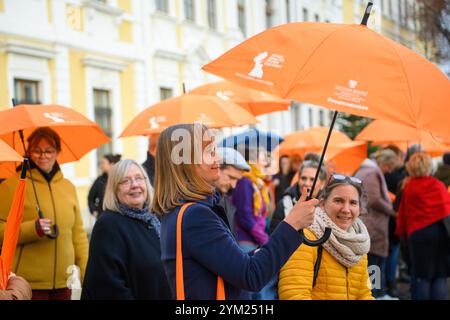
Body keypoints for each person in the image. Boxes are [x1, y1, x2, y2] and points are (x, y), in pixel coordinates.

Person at [152, 124, 319, 300]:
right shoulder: (195, 215)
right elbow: (251, 276)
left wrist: (256, 253)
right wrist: (291, 224)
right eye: (209, 152)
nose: (218, 158)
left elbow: (228, 264)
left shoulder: (184, 211)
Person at [0, 127, 89, 300]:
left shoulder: (68, 188)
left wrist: (88, 274)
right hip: (26, 286)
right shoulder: (11, 186)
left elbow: (79, 237)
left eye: (49, 151)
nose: (43, 156)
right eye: (37, 151)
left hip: (64, 285)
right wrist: (33, 229)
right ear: (28, 152)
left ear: (58, 153)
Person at [82, 159, 171, 299]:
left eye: (138, 178)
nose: (134, 185)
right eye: (125, 181)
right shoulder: (108, 225)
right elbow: (107, 286)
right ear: (114, 189)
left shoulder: (155, 219)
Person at [278, 174, 374, 300]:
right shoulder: (305, 238)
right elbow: (293, 295)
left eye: (353, 203)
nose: (346, 209)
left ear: (360, 208)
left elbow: (364, 295)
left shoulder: (358, 244)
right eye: (338, 201)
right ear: (322, 204)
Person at [396, 152, 450, 300]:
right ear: (429, 167)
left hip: (417, 235)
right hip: (439, 234)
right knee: (440, 274)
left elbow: (403, 214)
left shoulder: (408, 187)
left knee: (421, 274)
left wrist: (400, 234)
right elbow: (447, 209)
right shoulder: (438, 185)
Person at [354, 149, 398, 300]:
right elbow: (374, 199)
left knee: (374, 263)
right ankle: (376, 295)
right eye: (390, 166)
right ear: (384, 162)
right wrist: (391, 210)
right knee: (374, 264)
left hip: (370, 223)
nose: (390, 170)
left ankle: (377, 293)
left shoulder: (366, 170)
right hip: (373, 225)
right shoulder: (372, 172)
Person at [269, 160, 327, 235]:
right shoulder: (284, 204)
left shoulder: (327, 207)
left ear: (322, 184)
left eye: (312, 179)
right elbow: (272, 236)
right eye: (303, 178)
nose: (306, 183)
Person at [214, 147, 250, 238]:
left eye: (237, 180)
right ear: (216, 168)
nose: (234, 185)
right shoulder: (202, 203)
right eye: (230, 177)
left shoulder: (224, 201)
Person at [87, 153, 121, 219]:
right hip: (102, 217)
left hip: (119, 217)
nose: (101, 166)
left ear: (112, 164)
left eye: (103, 163)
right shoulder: (99, 180)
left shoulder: (120, 179)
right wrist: (94, 210)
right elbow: (90, 197)